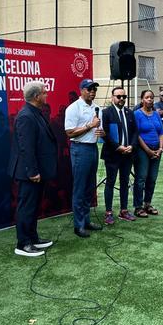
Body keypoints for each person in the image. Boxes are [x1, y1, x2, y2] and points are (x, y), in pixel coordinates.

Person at [8, 81, 56, 257]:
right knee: (26, 207)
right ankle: (23, 243)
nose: (46, 95)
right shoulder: (26, 116)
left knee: (33, 206)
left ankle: (33, 238)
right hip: (29, 173)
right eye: (44, 92)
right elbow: (25, 147)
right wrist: (32, 171)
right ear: (36, 96)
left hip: (36, 171)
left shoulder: (35, 112)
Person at [64, 79, 105, 238]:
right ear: (81, 90)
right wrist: (90, 126)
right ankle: (78, 225)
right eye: (89, 89)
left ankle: (86, 220)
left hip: (93, 148)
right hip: (80, 149)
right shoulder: (73, 108)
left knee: (89, 187)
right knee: (80, 188)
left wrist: (100, 132)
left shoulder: (97, 108)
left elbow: (98, 128)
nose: (92, 92)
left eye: (94, 89)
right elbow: (69, 133)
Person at [101, 86, 138, 225]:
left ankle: (123, 210)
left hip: (128, 154)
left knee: (125, 182)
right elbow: (104, 134)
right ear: (112, 97)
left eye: (124, 97)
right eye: (119, 96)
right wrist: (118, 147)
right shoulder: (106, 113)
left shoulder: (130, 113)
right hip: (112, 154)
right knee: (110, 182)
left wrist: (132, 146)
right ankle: (108, 212)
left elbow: (135, 132)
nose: (122, 99)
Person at [133, 89, 163, 216]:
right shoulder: (137, 114)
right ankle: (138, 206)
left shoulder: (156, 114)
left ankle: (147, 204)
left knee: (152, 178)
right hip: (142, 150)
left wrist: (160, 149)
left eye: (151, 97)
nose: (150, 99)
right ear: (142, 99)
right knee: (141, 178)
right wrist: (148, 150)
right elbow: (137, 134)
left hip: (157, 149)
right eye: (147, 97)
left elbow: (161, 133)